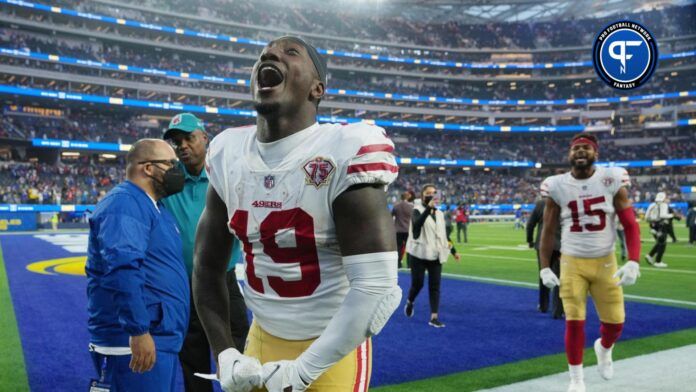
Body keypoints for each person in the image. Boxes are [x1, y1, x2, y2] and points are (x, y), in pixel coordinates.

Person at [193, 36, 402, 392]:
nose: (269, 54)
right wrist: (225, 352)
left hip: (332, 350)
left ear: (317, 89)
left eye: (291, 52)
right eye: (264, 53)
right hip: (261, 335)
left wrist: (303, 371)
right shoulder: (228, 153)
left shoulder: (344, 150)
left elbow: (377, 288)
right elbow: (206, 267)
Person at [538, 133, 642, 392]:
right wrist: (543, 266)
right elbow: (548, 230)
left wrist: (633, 260)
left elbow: (629, 222)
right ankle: (576, 379)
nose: (580, 151)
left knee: (616, 322)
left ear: (596, 153)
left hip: (605, 260)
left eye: (586, 148)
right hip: (572, 262)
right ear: (569, 154)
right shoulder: (556, 185)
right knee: (574, 321)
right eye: (576, 148)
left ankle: (604, 348)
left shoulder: (611, 178)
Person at [85, 139, 189, 391]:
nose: (178, 170)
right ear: (148, 168)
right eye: (171, 163)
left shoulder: (157, 208)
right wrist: (138, 330)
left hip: (158, 337)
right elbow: (123, 269)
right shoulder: (125, 204)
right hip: (134, 341)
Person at [161, 113, 249, 392]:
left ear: (205, 139)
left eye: (189, 138)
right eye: (177, 142)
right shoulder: (167, 183)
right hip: (183, 284)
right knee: (193, 359)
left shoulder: (226, 177)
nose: (183, 146)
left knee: (240, 353)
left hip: (224, 280)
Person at [404, 184, 460, 328]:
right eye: (428, 193)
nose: (432, 195)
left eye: (434, 193)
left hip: (436, 254)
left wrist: (454, 251)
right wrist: (428, 208)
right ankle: (410, 301)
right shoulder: (417, 210)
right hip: (419, 254)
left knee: (435, 286)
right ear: (422, 195)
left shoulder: (440, 214)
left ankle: (434, 317)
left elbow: (444, 235)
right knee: (418, 284)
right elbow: (416, 227)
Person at [526, 197, 563, 318]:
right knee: (559, 277)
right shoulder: (565, 200)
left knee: (544, 274)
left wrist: (530, 240)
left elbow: (531, 223)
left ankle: (543, 306)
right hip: (561, 245)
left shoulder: (541, 203)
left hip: (543, 245)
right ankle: (558, 310)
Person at [644, 192, 672, 268]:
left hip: (652, 226)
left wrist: (652, 223)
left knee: (660, 242)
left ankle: (650, 255)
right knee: (662, 243)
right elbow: (662, 215)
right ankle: (658, 261)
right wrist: (672, 215)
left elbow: (646, 217)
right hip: (660, 226)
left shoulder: (652, 205)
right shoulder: (663, 205)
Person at [392, 191, 414, 268]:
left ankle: (398, 264)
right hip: (408, 230)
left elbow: (392, 216)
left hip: (398, 230)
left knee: (398, 248)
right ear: (408, 197)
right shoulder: (411, 207)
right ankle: (409, 265)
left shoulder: (396, 206)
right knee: (409, 248)